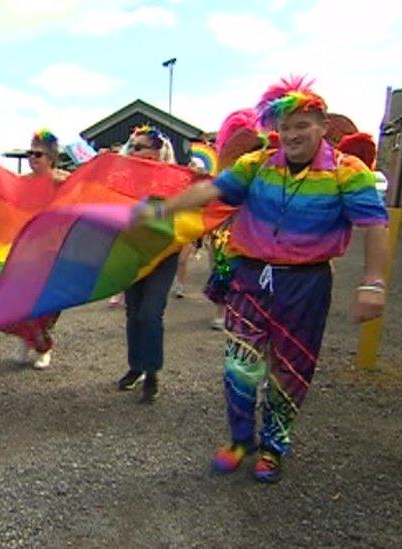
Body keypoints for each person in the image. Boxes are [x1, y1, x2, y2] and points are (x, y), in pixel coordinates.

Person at [134, 77, 389, 482]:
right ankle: (240, 440)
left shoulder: (347, 172)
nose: (292, 134)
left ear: (322, 126)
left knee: (289, 369)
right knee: (239, 365)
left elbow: (375, 224)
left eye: (302, 125)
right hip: (250, 277)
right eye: (285, 127)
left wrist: (373, 283)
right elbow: (213, 190)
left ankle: (273, 446)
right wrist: (164, 210)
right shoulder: (258, 165)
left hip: (307, 284)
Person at [114, 125, 182, 403]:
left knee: (150, 313)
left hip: (163, 256)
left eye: (140, 147)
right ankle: (136, 367)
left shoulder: (176, 179)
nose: (134, 151)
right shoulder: (124, 179)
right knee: (133, 313)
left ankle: (152, 372)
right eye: (132, 147)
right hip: (134, 254)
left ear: (156, 152)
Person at [0, 129, 70, 369]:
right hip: (26, 252)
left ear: (50, 158)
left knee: (45, 305)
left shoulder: (64, 181)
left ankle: (42, 346)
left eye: (37, 154)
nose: (32, 158)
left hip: (54, 253)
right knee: (21, 302)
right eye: (29, 153)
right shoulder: (22, 183)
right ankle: (28, 340)